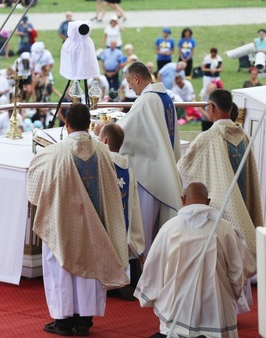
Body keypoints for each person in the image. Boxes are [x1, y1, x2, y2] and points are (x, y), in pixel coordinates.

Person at [27, 103, 129, 336]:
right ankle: (84, 320)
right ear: (89, 124)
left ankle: (63, 321)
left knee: (60, 266)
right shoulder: (103, 152)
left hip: (62, 223)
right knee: (90, 264)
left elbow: (33, 189)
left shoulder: (54, 153)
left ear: (66, 123)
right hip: (96, 225)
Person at [135, 182, 245, 338]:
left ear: (182, 199)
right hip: (215, 305)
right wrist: (232, 295)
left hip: (178, 305)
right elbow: (237, 270)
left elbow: (154, 266)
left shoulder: (169, 228)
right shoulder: (224, 228)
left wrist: (148, 295)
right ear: (208, 202)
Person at [178, 89, 262, 263]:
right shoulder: (244, 136)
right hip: (242, 203)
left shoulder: (209, 137)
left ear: (213, 106)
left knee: (223, 256)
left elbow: (184, 167)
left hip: (223, 208)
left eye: (207, 105)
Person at [117, 62, 182, 251]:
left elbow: (124, 131)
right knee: (156, 230)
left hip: (150, 177)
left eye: (129, 81)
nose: (128, 86)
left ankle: (144, 271)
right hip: (163, 168)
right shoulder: (165, 98)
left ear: (136, 79)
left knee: (144, 230)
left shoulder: (146, 101)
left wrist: (103, 129)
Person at [99, 124, 145, 295]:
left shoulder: (100, 163)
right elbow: (133, 207)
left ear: (104, 140)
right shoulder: (129, 171)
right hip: (124, 235)